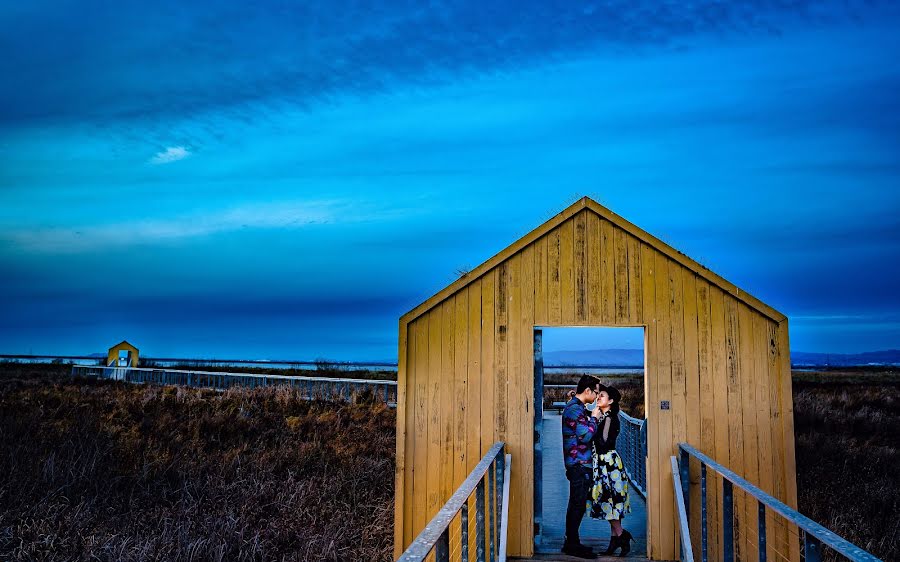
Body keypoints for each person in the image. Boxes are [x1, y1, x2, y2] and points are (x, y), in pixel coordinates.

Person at [561, 375, 604, 558]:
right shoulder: (575, 410)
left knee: (577, 504)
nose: (596, 396)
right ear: (587, 391)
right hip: (578, 464)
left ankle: (572, 542)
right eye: (595, 392)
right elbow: (585, 436)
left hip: (579, 463)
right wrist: (594, 417)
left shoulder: (577, 408)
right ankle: (571, 544)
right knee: (577, 504)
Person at [589, 385, 634, 556]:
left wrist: (593, 420)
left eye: (602, 396)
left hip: (608, 463)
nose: (598, 398)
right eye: (598, 395)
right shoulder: (605, 416)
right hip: (607, 463)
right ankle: (614, 539)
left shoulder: (609, 418)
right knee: (611, 502)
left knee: (609, 500)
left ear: (611, 401)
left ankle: (622, 535)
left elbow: (603, 443)